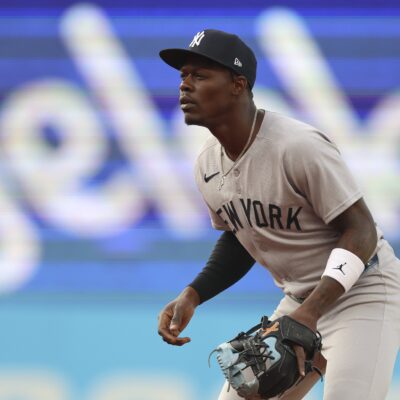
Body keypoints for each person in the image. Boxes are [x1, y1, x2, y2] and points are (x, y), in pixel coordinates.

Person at [157, 29, 400, 400]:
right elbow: (242, 236)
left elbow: (361, 231)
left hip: (362, 293)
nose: (185, 85)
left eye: (200, 75)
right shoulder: (207, 164)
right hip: (300, 302)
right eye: (183, 76)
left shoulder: (297, 146)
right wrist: (194, 293)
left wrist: (312, 313)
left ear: (238, 84)